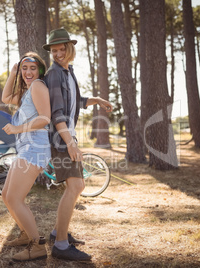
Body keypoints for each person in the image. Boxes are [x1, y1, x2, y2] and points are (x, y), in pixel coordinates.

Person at [42, 28, 113, 261]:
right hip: (61, 140)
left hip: (68, 137)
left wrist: (98, 100)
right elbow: (57, 112)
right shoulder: (54, 74)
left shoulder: (68, 73)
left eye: (62, 49)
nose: (58, 53)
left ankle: (57, 233)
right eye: (54, 50)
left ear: (70, 49)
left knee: (78, 186)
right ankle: (60, 245)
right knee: (75, 187)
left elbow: (76, 101)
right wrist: (70, 142)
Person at [0, 52, 51, 261]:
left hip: (35, 148)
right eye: (24, 68)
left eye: (32, 68)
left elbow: (45, 118)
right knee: (6, 195)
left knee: (14, 198)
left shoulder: (38, 86)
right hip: (26, 149)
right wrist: (12, 73)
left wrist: (18, 128)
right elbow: (5, 98)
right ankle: (24, 234)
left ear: (39, 70)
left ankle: (37, 245)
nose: (28, 72)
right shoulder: (27, 90)